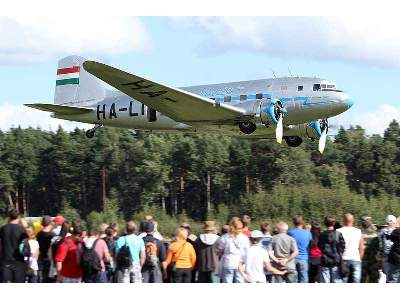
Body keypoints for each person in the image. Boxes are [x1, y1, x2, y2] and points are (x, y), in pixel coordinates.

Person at [216, 217, 250, 283]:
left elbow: (219, 252)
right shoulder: (244, 238)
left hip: (228, 262)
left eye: (241, 227)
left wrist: (218, 253)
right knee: (239, 281)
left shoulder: (224, 237)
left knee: (227, 281)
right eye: (239, 228)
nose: (241, 229)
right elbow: (247, 252)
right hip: (240, 263)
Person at [0, 209, 27, 283]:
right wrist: (25, 226)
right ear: (18, 217)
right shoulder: (22, 230)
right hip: (19, 261)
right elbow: (28, 244)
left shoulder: (3, 228)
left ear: (9, 217)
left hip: (6, 261)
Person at [337, 213, 364, 283]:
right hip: (356, 259)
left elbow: (336, 247)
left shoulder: (338, 231)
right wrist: (359, 259)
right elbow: (362, 247)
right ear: (353, 220)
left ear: (343, 220)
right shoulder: (358, 231)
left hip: (343, 259)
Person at [318, 216, 346, 283]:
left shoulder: (321, 235)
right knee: (336, 281)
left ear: (325, 223)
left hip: (325, 261)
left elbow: (319, 246)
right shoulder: (338, 234)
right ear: (334, 223)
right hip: (335, 261)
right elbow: (343, 246)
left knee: (325, 281)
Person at [288, 215, 312, 283]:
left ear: (293, 222)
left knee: (293, 280)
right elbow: (310, 246)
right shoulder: (308, 233)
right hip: (304, 259)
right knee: (304, 280)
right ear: (302, 222)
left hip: (292, 259)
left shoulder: (290, 233)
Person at [360, 216, 380, 283]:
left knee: (373, 277)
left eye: (366, 221)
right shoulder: (360, 231)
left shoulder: (375, 230)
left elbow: (378, 245)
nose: (365, 223)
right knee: (363, 277)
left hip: (373, 258)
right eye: (363, 221)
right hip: (364, 257)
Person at [36, 215, 54, 283]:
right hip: (50, 260)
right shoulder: (53, 235)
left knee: (41, 279)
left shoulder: (38, 234)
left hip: (40, 258)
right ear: (50, 223)